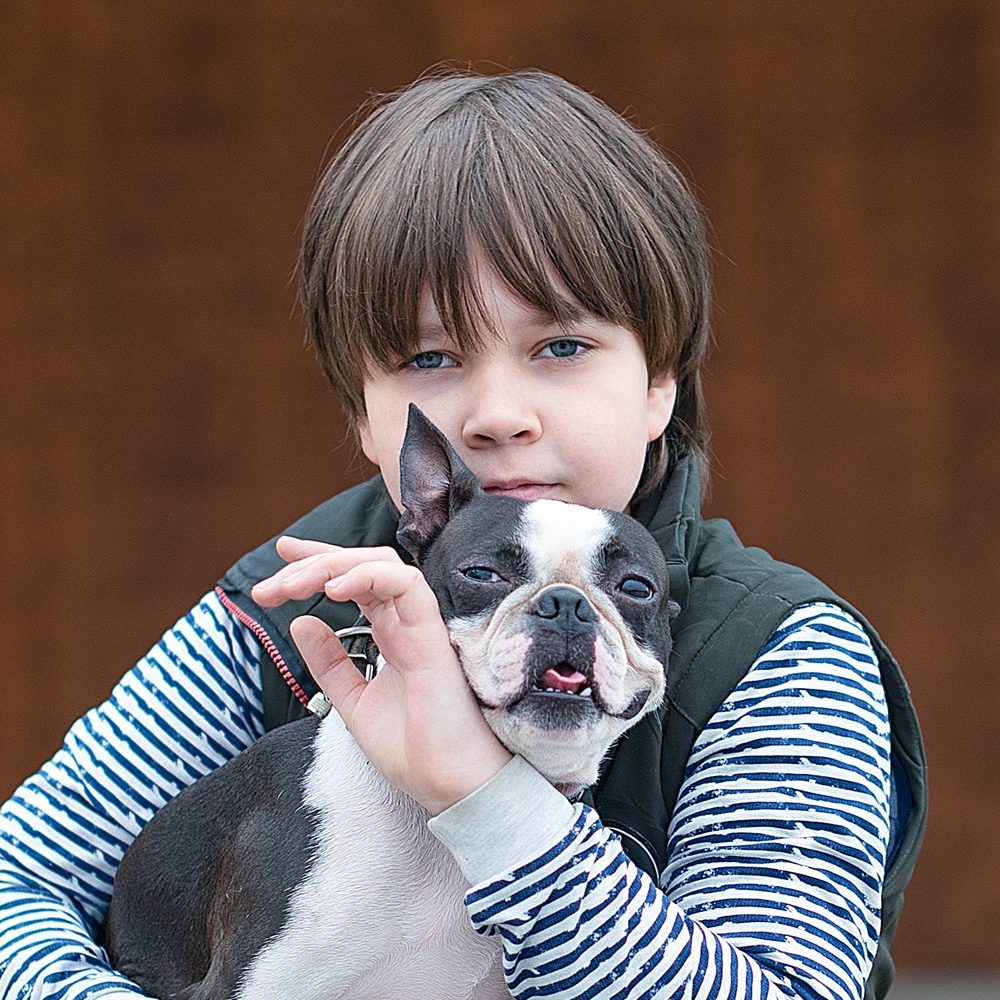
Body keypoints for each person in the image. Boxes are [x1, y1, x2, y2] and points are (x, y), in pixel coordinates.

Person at [0, 68, 925, 1000]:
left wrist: (488, 803)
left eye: (559, 346)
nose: (495, 413)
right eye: (431, 357)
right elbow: (22, 878)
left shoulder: (777, 653)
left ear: (661, 384)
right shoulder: (290, 610)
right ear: (363, 416)